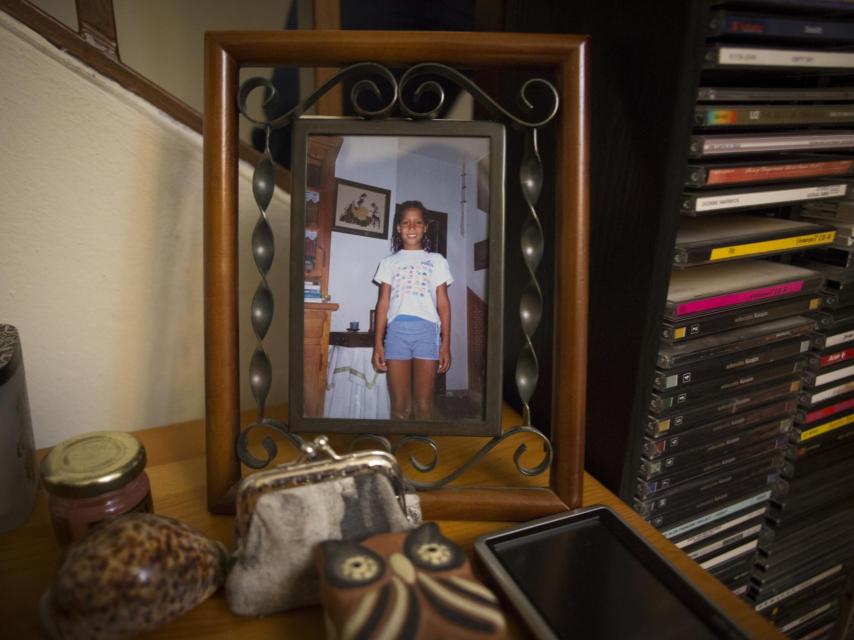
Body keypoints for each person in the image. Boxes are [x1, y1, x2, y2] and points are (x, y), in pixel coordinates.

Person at [372, 201, 452, 420]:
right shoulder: (388, 262)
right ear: (398, 227)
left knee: (424, 406)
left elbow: (443, 303)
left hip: (427, 334)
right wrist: (378, 343)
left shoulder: (436, 261)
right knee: (399, 407)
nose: (411, 227)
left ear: (425, 227)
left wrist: (445, 344)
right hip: (396, 334)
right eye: (406, 222)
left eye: (417, 222)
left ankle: (422, 450)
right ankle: (400, 451)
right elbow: (383, 304)